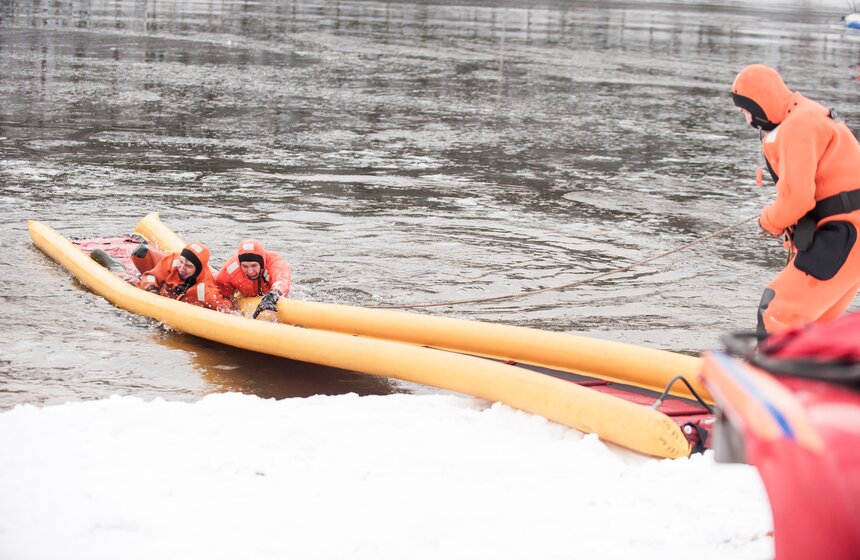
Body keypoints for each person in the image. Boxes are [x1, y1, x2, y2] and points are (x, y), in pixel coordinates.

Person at [731, 64, 860, 337]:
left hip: (845, 234)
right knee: (814, 328)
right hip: (848, 236)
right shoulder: (808, 113)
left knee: (778, 311)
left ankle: (764, 378)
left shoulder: (798, 125)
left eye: (745, 112)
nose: (747, 121)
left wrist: (768, 221)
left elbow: (797, 199)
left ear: (758, 104)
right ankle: (810, 377)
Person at [138, 241, 234, 312]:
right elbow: (150, 276)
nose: (182, 268)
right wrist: (152, 292)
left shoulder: (206, 290)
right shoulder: (174, 260)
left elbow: (224, 308)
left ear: (198, 269)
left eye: (188, 266)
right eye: (181, 261)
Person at [215, 239, 292, 318]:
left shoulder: (275, 263)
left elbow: (282, 281)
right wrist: (230, 309)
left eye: (254, 265)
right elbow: (223, 294)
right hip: (245, 298)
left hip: (271, 297)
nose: (250, 271)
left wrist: (272, 296)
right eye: (245, 266)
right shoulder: (230, 269)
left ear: (261, 263)